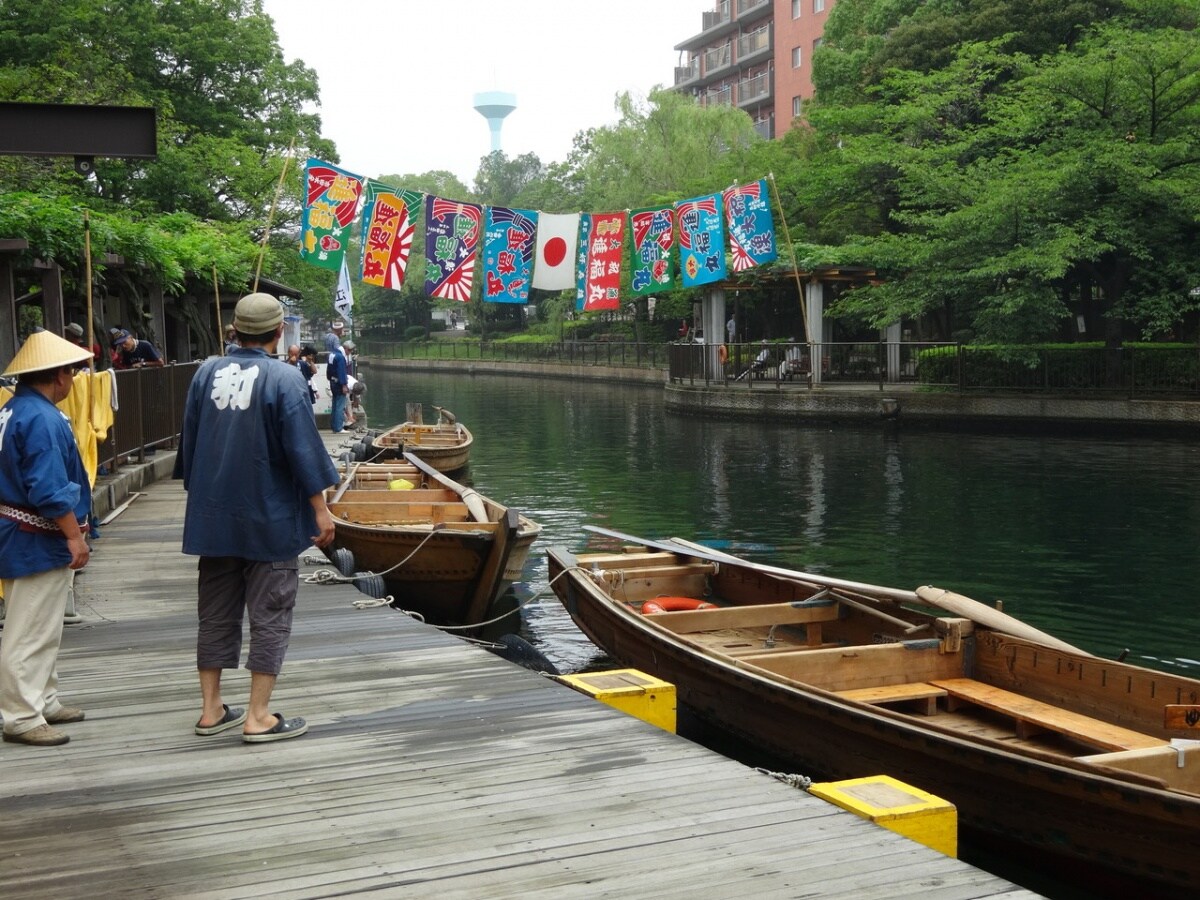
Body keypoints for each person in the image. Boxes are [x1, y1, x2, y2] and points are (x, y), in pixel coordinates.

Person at [174, 293, 338, 744]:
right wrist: (320, 508)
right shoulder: (284, 378)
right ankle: (258, 715)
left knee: (215, 613)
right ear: (278, 331)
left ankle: (211, 711)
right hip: (270, 516)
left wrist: (201, 493)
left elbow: (189, 442)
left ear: (235, 330)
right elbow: (302, 448)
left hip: (213, 516)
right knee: (270, 612)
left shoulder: (205, 372)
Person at [0, 330, 93, 746]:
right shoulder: (41, 418)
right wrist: (75, 537)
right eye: (72, 373)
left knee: (45, 622)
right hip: (33, 531)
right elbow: (49, 488)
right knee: (29, 626)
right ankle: (20, 713)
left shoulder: (14, 409)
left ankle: (43, 696)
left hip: (23, 527)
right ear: (59, 375)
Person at [325, 331, 348, 434]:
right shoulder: (340, 357)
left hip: (332, 381)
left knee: (335, 404)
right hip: (339, 383)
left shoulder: (331, 355)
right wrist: (344, 385)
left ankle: (334, 426)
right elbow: (342, 372)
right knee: (340, 405)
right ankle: (339, 427)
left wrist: (329, 378)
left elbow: (328, 370)